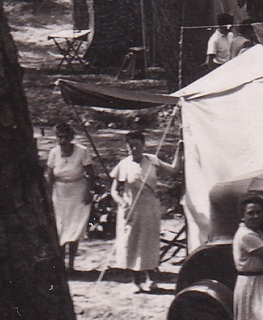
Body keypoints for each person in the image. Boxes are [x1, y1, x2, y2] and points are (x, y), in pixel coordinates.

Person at [111, 130, 181, 293]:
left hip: (149, 207)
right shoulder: (124, 164)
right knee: (132, 243)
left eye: (137, 144)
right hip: (131, 209)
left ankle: (151, 279)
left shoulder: (152, 160)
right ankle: (136, 281)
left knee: (149, 243)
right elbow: (114, 191)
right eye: (130, 145)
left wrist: (180, 147)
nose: (134, 148)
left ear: (143, 145)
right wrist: (121, 203)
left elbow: (174, 169)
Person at [44, 123, 94, 272]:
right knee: (59, 228)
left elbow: (91, 174)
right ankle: (59, 263)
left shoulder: (82, 151)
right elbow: (50, 175)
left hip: (77, 191)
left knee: (74, 228)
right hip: (60, 193)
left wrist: (88, 191)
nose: (63, 140)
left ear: (72, 137)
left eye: (66, 137)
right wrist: (47, 194)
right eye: (60, 137)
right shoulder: (53, 153)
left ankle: (71, 264)